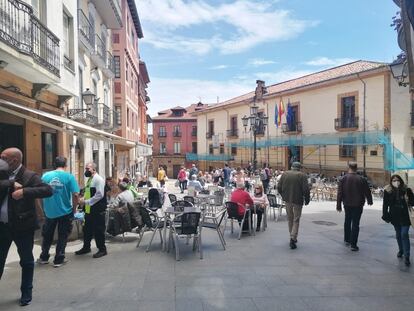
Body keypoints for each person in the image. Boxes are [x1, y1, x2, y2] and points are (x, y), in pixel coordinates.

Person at [0, 148, 53, 306]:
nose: (0, 160)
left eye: (3, 157)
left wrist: (25, 191)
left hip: (23, 227)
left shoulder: (29, 175)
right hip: (2, 227)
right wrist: (9, 183)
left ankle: (26, 293)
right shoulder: (2, 172)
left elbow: (47, 190)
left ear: (14, 160)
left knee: (27, 261)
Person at [38, 156, 80, 268]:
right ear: (65, 165)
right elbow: (76, 195)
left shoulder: (45, 176)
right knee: (63, 235)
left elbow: (39, 193)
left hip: (49, 212)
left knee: (47, 235)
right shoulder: (69, 177)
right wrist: (74, 209)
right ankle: (59, 259)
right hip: (65, 212)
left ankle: (44, 257)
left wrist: (41, 210)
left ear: (54, 164)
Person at [336, 162, 373, 252]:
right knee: (356, 224)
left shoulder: (343, 179)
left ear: (348, 167)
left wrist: (338, 205)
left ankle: (347, 240)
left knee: (347, 221)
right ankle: (353, 244)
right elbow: (367, 191)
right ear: (356, 168)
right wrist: (369, 200)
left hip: (347, 204)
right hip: (358, 204)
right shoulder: (361, 179)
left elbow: (340, 193)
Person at [76, 162, 108, 258]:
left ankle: (102, 249)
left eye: (87, 169)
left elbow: (99, 194)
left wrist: (86, 202)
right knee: (87, 230)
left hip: (97, 210)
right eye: (85, 169)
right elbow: (89, 192)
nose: (86, 171)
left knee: (98, 230)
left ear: (94, 169)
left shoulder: (98, 179)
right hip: (89, 210)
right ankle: (86, 247)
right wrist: (83, 199)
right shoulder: (90, 180)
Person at [277, 162, 310, 249]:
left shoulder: (285, 174)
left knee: (290, 219)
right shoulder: (302, 175)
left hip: (287, 200)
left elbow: (278, 187)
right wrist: (307, 199)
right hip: (298, 200)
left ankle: (292, 236)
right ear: (299, 168)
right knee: (296, 220)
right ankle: (293, 237)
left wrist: (283, 195)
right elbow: (306, 189)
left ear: (292, 167)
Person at [382, 174, 413, 266]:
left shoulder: (406, 189)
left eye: (397, 180)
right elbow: (385, 204)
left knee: (404, 234)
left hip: (405, 216)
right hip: (394, 216)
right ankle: (401, 250)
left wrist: (409, 196)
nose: (396, 182)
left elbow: (413, 202)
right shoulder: (388, 191)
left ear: (401, 180)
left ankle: (407, 256)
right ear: (391, 182)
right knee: (398, 235)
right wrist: (385, 214)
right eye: (394, 180)